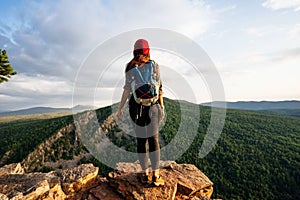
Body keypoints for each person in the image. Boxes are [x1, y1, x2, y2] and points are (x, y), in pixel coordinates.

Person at [117, 39, 165, 186]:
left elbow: (126, 89)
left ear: (134, 51)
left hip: (136, 108)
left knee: (141, 141)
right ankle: (156, 175)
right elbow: (160, 88)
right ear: (148, 51)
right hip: (153, 107)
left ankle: (144, 175)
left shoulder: (130, 66)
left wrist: (119, 109)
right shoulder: (155, 65)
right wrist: (162, 107)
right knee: (154, 140)